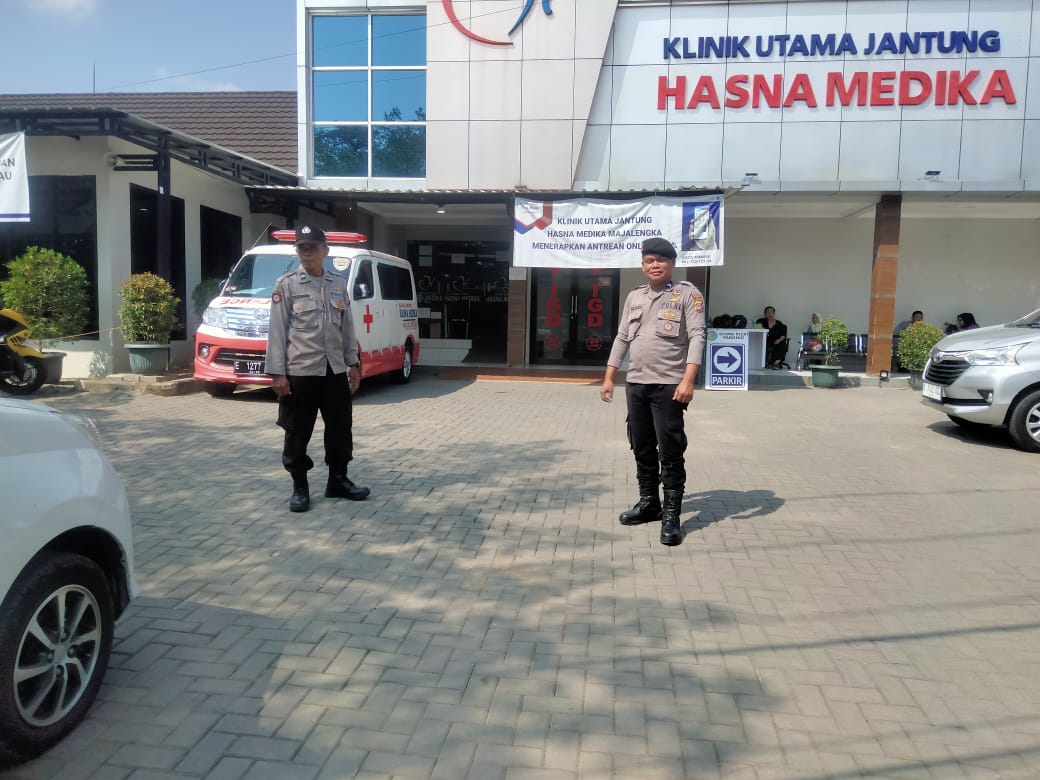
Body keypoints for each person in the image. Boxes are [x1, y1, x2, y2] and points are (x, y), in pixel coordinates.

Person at [600, 237, 706, 547]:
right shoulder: (634, 296)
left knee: (670, 450)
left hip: (669, 385)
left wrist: (688, 380)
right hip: (636, 383)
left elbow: (697, 336)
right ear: (643, 264)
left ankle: (671, 516)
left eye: (661, 259)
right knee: (642, 446)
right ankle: (649, 504)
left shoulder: (687, 294)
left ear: (672, 263)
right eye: (649, 260)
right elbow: (622, 337)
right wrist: (609, 377)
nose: (655, 264)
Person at [266, 225, 370, 512]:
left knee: (340, 429)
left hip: (334, 370)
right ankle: (300, 487)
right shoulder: (286, 285)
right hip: (301, 372)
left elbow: (347, 328)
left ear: (325, 250)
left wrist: (353, 363)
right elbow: (276, 331)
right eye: (302, 247)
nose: (306, 252)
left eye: (312, 247)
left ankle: (338, 480)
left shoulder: (337, 284)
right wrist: (277, 373)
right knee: (297, 432)